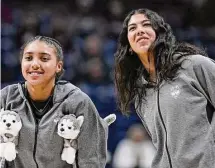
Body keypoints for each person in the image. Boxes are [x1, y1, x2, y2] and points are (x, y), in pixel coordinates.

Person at [114, 8, 215, 168]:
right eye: (133, 28)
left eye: (146, 25)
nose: (139, 30)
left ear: (160, 34)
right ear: (130, 46)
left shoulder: (194, 65)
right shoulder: (141, 94)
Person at [0, 36, 108, 168]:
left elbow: (92, 160)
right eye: (28, 58)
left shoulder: (78, 102)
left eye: (44, 58)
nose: (34, 64)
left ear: (58, 66)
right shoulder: (6, 98)